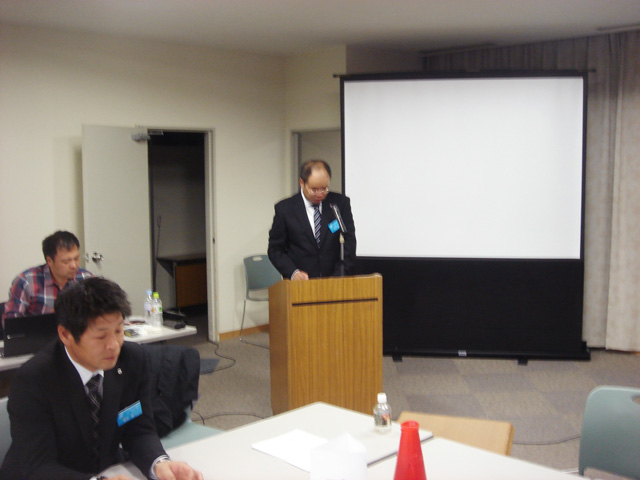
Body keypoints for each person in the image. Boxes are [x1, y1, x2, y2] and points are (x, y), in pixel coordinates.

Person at [0, 277, 203, 480]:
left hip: (106, 470)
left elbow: (139, 429)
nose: (114, 345)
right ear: (66, 335)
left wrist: (159, 463)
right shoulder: (33, 380)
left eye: (119, 331)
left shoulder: (131, 360)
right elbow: (38, 466)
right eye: (101, 336)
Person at [268, 159, 356, 280]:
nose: (320, 194)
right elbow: (275, 249)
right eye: (314, 189)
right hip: (301, 283)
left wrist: (341, 272)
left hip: (334, 280)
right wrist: (293, 272)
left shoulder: (339, 204)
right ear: (302, 182)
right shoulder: (285, 209)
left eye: (324, 188)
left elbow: (349, 240)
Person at [2, 230, 93, 325]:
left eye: (76, 258)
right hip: (38, 333)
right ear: (49, 261)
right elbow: (12, 321)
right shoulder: (27, 281)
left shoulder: (86, 278)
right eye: (66, 262)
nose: (74, 265)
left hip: (76, 332)